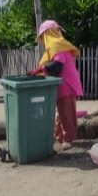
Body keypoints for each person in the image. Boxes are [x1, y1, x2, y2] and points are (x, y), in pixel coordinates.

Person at [28, 20, 83, 150]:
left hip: (66, 83)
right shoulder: (58, 45)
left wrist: (40, 70)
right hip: (62, 82)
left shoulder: (57, 45)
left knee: (66, 113)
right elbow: (53, 66)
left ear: (48, 33)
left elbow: (57, 66)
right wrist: (40, 70)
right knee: (61, 111)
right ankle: (58, 136)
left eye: (43, 36)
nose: (43, 39)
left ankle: (68, 139)